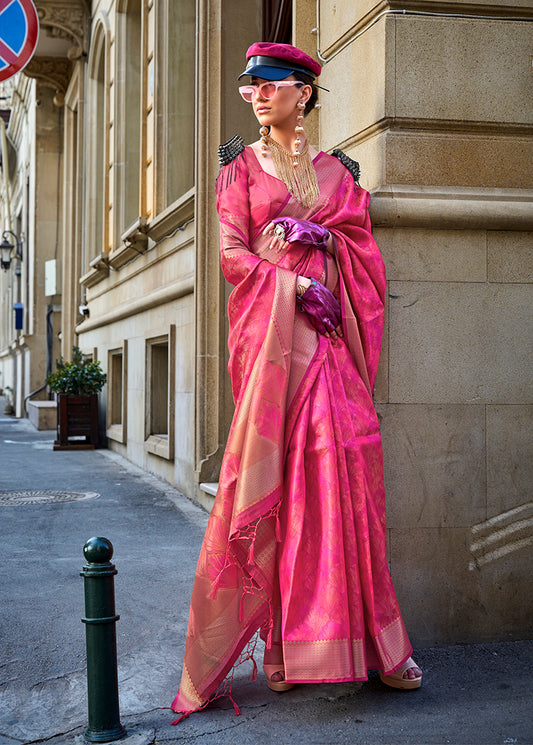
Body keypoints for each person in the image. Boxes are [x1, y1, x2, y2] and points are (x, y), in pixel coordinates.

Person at [171, 42, 422, 723]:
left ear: (302, 93)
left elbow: (361, 243)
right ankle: (282, 648)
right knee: (278, 492)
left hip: (330, 347)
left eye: (268, 84)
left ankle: (377, 643)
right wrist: (292, 283)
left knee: (347, 480)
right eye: (248, 85)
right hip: (275, 351)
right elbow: (229, 256)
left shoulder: (336, 172)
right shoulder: (237, 173)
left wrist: (323, 242)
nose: (254, 94)